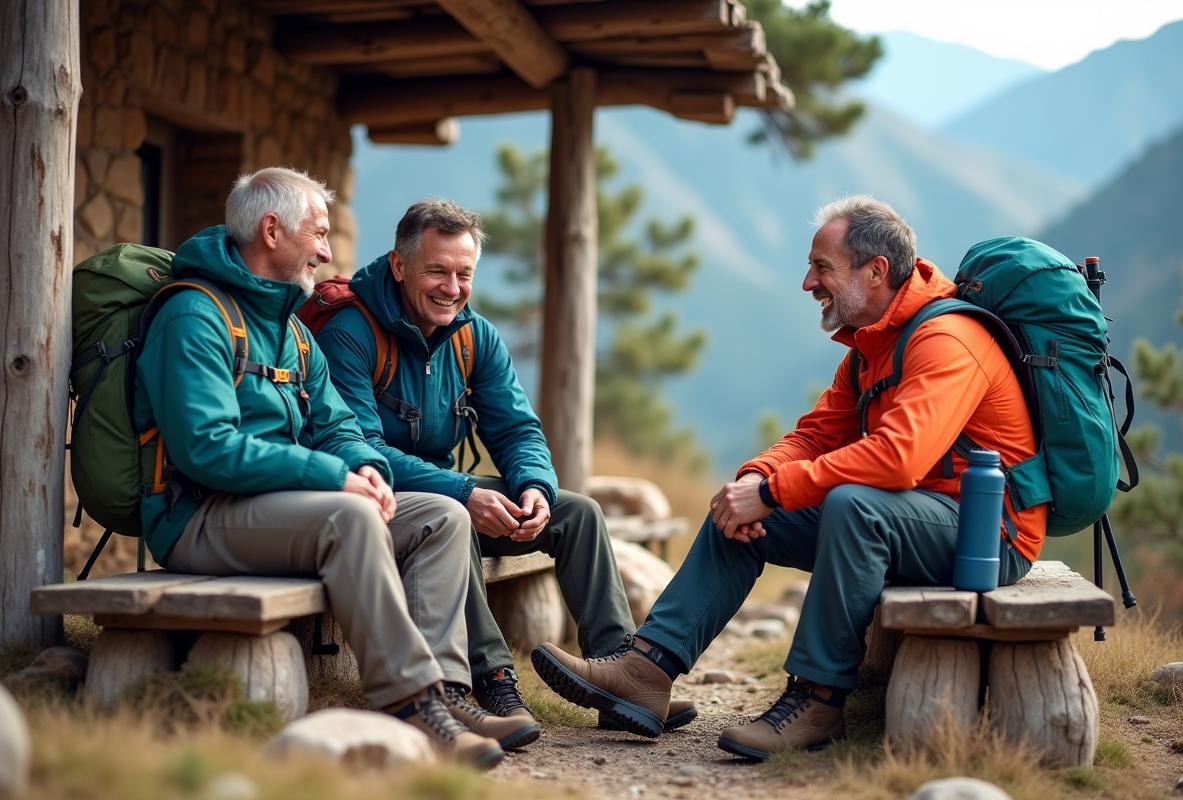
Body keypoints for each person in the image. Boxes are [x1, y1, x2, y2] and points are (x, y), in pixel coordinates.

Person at [530, 195, 1048, 760]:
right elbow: (814, 435)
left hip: (989, 534)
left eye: (822, 267)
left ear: (876, 271)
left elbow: (898, 458)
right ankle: (647, 669)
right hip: (914, 517)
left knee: (854, 504)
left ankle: (817, 701)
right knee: (743, 508)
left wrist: (775, 491)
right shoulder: (873, 343)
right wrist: (753, 482)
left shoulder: (945, 341)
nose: (808, 282)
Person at [134, 168, 504, 769]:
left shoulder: (292, 332)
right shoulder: (193, 316)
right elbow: (208, 449)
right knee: (348, 518)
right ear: (272, 230)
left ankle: (448, 692)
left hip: (278, 511)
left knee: (441, 515)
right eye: (320, 233)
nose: (330, 251)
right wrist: (334, 479)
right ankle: (411, 703)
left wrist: (365, 467)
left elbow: (337, 427)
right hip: (198, 516)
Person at [315, 198, 697, 741]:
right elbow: (360, 450)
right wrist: (465, 489)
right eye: (436, 271)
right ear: (399, 267)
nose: (452, 287)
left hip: (450, 494)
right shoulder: (350, 333)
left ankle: (622, 675)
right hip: (381, 504)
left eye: (463, 273)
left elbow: (518, 431)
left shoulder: (475, 337)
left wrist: (534, 487)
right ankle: (493, 678)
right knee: (453, 515)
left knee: (578, 513)